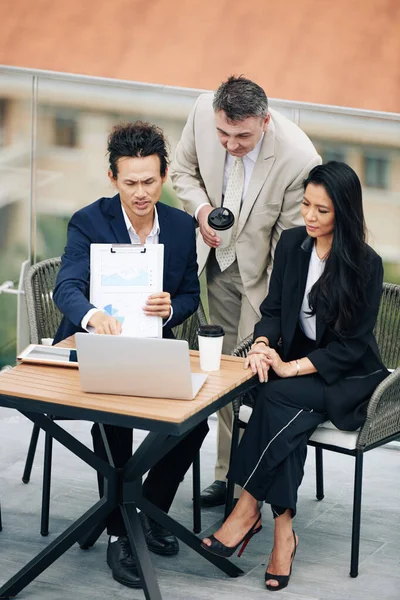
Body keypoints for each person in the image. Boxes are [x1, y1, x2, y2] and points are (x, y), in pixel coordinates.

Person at [200, 161, 389, 591]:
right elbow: (272, 313)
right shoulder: (291, 245)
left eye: (321, 210)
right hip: (298, 374)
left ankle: (246, 510)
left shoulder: (365, 265)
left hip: (347, 376)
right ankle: (283, 534)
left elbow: (349, 348)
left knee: (274, 398)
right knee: (284, 418)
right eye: (306, 204)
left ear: (344, 212)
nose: (309, 216)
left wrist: (290, 367)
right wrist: (265, 346)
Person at [53, 122, 209, 589]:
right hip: (93, 346)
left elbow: (190, 294)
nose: (140, 193)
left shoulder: (181, 227)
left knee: (195, 418)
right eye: (130, 182)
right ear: (112, 178)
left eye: (149, 181)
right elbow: (67, 286)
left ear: (163, 176)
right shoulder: (89, 220)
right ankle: (121, 533)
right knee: (114, 417)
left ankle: (148, 509)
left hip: (150, 344)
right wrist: (92, 315)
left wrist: (171, 308)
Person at [171, 76, 321, 507]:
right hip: (215, 264)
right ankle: (225, 476)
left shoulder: (298, 158)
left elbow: (288, 248)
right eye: (223, 134)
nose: (231, 144)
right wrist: (202, 211)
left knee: (250, 374)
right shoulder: (202, 110)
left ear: (265, 121)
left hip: (265, 275)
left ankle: (248, 486)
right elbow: (183, 172)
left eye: (242, 136)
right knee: (222, 373)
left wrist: (268, 316)